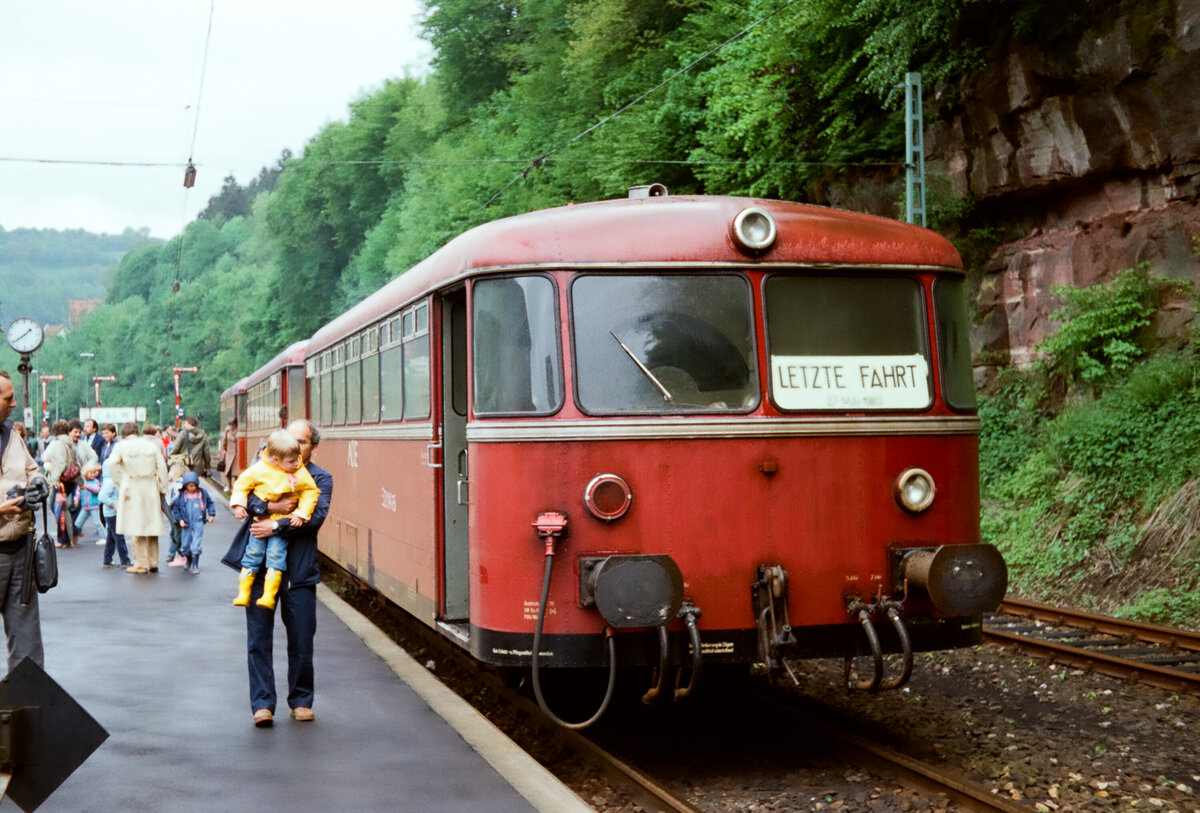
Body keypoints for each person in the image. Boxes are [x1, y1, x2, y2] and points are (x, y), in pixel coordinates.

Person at [222, 420, 331, 727]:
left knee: (301, 640)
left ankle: (300, 700)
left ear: (313, 447)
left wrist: (275, 524)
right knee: (258, 639)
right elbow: (249, 498)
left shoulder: (321, 478)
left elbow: (314, 518)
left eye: (304, 443)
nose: (297, 449)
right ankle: (262, 703)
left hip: (299, 572)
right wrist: (274, 505)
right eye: (292, 442)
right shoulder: (262, 471)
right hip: (260, 571)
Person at [227, 429, 319, 610]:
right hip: (260, 521)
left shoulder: (299, 471)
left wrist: (301, 513)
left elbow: (311, 491)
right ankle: (244, 591)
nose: (296, 463)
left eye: (297, 459)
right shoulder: (259, 469)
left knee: (276, 556)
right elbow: (241, 486)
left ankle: (268, 595)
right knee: (252, 554)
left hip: (281, 523)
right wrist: (239, 505)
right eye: (291, 461)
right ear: (276, 460)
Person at [0, 372, 48, 673]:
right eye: (8, 398)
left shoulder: (11, 434)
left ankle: (25, 711)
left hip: (20, 551)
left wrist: (40, 482)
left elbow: (32, 469)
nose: (14, 403)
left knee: (28, 645)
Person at [108, 423, 169, 575]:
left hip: (132, 485)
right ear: (137, 432)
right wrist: (162, 487)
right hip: (151, 485)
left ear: (123, 434)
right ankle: (153, 562)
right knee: (151, 524)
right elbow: (162, 466)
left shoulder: (121, 446)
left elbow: (112, 464)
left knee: (137, 525)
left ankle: (140, 564)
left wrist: (121, 481)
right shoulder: (150, 445)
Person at [42, 420, 82, 547]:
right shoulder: (70, 443)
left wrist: (55, 480)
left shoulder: (58, 443)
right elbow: (75, 463)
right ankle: (67, 536)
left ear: (54, 431)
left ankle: (70, 533)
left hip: (62, 480)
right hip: (70, 479)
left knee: (57, 508)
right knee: (62, 508)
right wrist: (80, 482)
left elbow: (60, 464)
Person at [171, 472, 214, 574]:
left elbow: (210, 502)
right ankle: (188, 559)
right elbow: (176, 508)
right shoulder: (182, 496)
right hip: (186, 523)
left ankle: (195, 564)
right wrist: (180, 519)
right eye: (190, 486)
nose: (193, 488)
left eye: (195, 485)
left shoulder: (202, 493)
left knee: (195, 544)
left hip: (198, 521)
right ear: (185, 485)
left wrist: (211, 514)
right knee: (185, 545)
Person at [98, 459, 131, 568]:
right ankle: (125, 560)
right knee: (119, 536)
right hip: (112, 513)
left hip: (110, 513)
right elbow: (102, 497)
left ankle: (107, 559)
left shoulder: (111, 480)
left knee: (111, 537)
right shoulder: (110, 481)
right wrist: (113, 504)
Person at [164, 464, 188, 567]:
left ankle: (177, 554)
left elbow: (171, 500)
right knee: (178, 534)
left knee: (175, 534)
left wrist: (169, 504)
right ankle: (176, 554)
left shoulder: (175, 485)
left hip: (175, 514)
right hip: (182, 514)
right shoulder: (182, 484)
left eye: (170, 471)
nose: (168, 473)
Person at [77, 463, 104, 541]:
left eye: (94, 473)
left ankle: (104, 537)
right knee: (78, 522)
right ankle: (74, 537)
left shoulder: (95, 482)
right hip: (85, 506)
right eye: (91, 473)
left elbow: (97, 490)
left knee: (98, 523)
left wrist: (88, 487)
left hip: (94, 506)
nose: (93, 475)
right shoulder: (83, 482)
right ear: (86, 473)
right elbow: (78, 491)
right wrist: (76, 499)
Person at [217, 419, 238, 493]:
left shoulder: (237, 432)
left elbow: (236, 440)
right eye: (230, 425)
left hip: (236, 454)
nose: (231, 426)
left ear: (235, 425)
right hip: (229, 454)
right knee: (228, 472)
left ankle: (235, 487)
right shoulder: (228, 432)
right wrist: (225, 450)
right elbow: (224, 442)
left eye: (232, 425)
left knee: (235, 473)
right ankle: (228, 485)